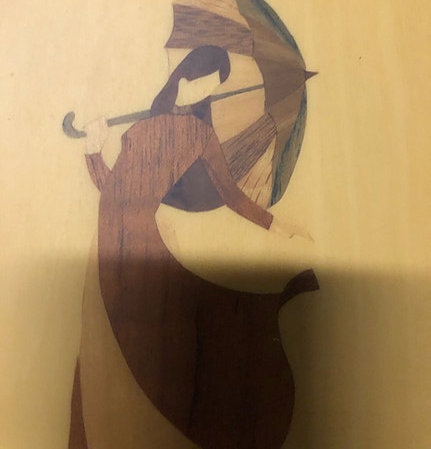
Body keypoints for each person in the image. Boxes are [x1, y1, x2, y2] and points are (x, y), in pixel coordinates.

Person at [68, 45, 318, 449]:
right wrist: (93, 151)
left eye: (210, 88)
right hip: (110, 234)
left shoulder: (201, 135)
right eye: (198, 81)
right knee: (102, 345)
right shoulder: (146, 125)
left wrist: (278, 225)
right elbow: (113, 189)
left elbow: (232, 197)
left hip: (138, 241)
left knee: (144, 345)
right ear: (182, 75)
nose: (201, 92)